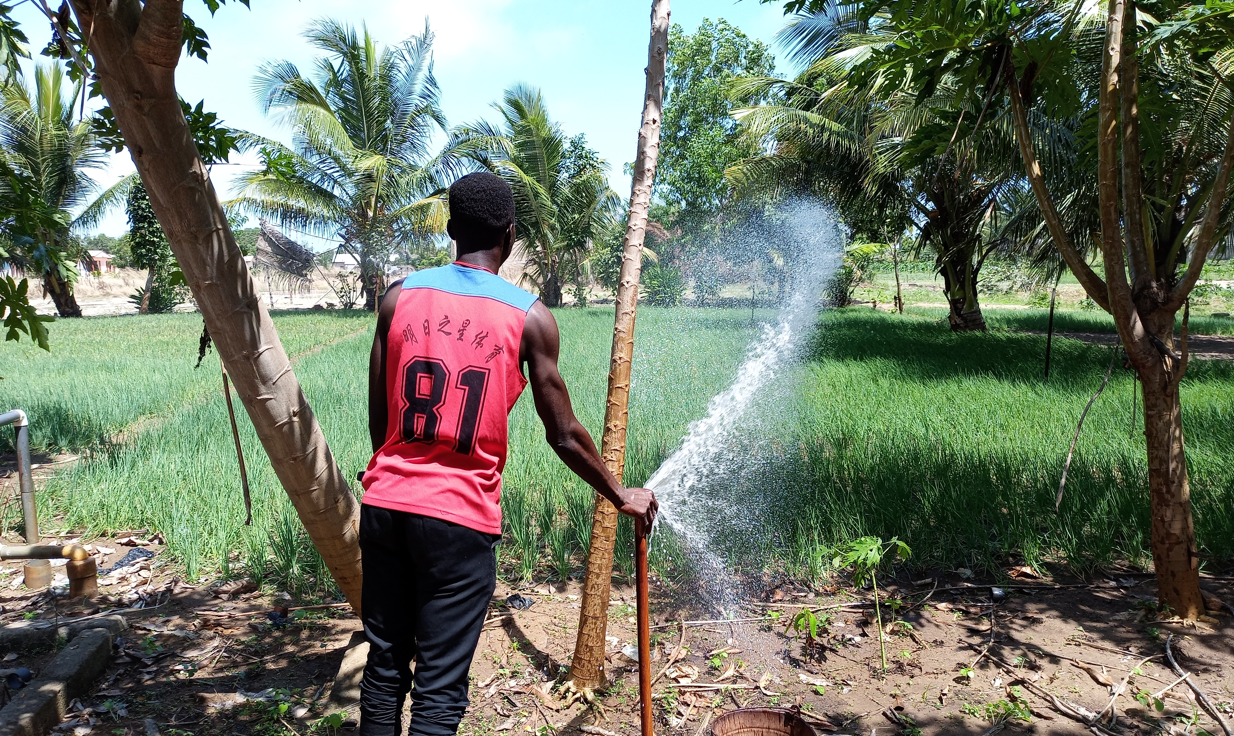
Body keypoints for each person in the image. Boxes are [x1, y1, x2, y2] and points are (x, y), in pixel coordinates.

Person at [359, 172, 658, 736]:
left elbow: (383, 415)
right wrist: (621, 495)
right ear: (511, 236)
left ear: (450, 229)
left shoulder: (398, 298)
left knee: (384, 669)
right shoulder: (529, 317)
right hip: (458, 519)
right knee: (439, 691)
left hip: (385, 505)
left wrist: (391, 475)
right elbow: (564, 433)